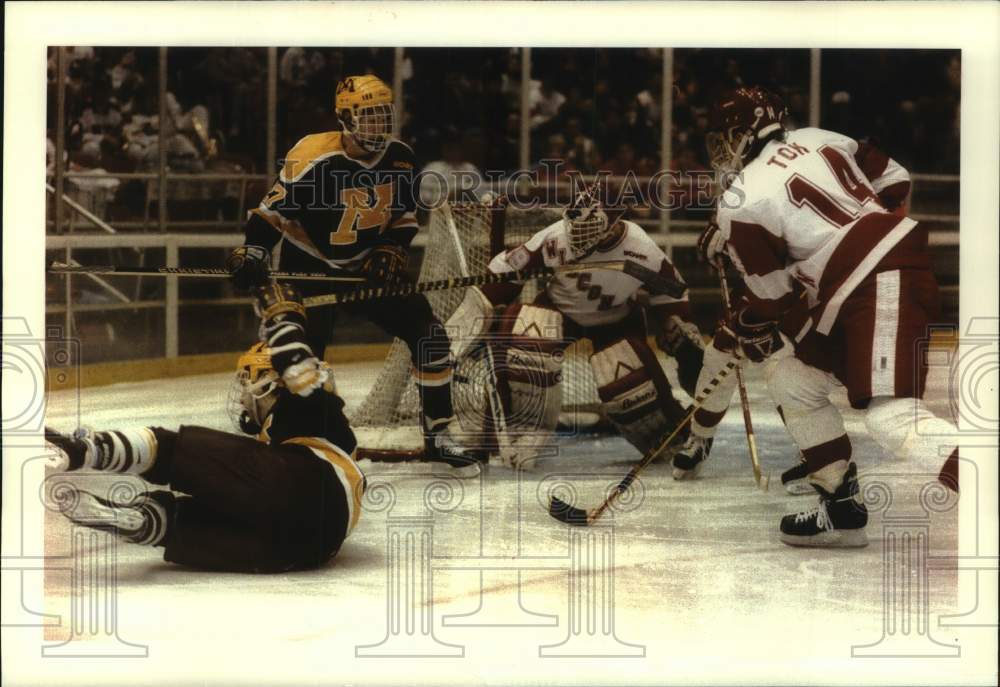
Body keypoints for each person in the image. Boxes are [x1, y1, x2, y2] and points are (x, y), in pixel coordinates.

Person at [697, 86, 958, 548]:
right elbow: (895, 178)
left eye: (724, 136)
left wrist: (744, 303)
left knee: (892, 418)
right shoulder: (821, 137)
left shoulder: (739, 199)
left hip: (870, 282)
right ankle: (840, 506)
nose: (720, 148)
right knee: (790, 376)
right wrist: (869, 232)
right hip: (858, 285)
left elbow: (773, 298)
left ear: (744, 132)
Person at [225, 74, 472, 464]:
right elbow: (271, 214)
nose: (379, 124)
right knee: (304, 358)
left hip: (367, 270)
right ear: (345, 117)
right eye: (368, 116)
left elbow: (405, 216)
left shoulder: (401, 157)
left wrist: (391, 249)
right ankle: (283, 429)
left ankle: (438, 433)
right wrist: (253, 252)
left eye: (383, 114)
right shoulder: (313, 157)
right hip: (311, 268)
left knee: (430, 337)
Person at [45, 283, 365, 573]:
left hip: (309, 489)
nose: (242, 395)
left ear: (273, 382)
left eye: (249, 380)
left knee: (167, 448)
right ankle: (146, 521)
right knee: (181, 523)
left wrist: (285, 321)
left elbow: (297, 367)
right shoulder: (315, 432)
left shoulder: (314, 409)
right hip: (306, 550)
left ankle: (79, 450)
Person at [445, 188, 705, 469]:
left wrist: (676, 323)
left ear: (615, 224)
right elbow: (506, 269)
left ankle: (666, 437)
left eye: (589, 229)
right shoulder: (556, 237)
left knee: (627, 377)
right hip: (560, 308)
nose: (577, 236)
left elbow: (672, 294)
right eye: (576, 227)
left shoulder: (642, 251)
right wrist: (486, 302)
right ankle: (519, 431)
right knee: (529, 341)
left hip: (614, 321)